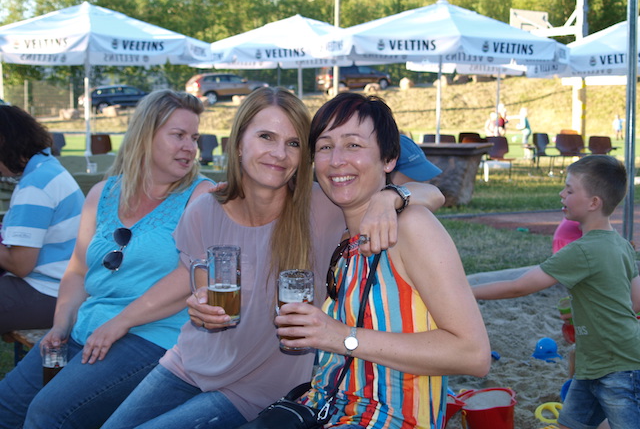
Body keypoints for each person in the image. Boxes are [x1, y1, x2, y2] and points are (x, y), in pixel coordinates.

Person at [101, 87, 444, 429]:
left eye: (293, 143)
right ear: (238, 143)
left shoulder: (323, 205)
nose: (279, 153)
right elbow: (204, 296)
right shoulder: (205, 209)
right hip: (188, 363)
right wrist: (201, 311)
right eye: (266, 137)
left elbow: (433, 193)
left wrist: (390, 197)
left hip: (258, 389)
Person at [274, 92, 491, 428]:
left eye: (353, 145)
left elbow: (473, 354)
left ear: (388, 159)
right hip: (324, 409)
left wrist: (341, 336)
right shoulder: (344, 236)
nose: (336, 160)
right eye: (325, 146)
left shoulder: (412, 227)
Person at [0, 90, 215, 428]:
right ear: (144, 135)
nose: (190, 147)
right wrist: (61, 324)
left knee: (49, 414)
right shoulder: (103, 193)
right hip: (89, 326)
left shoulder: (201, 196)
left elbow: (190, 274)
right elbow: (77, 270)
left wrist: (121, 321)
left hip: (153, 334)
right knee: (7, 405)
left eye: (194, 138)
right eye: (178, 135)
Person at [472, 155, 640, 429]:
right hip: (597, 363)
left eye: (570, 190)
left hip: (618, 368)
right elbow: (635, 301)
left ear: (593, 203)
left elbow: (519, 286)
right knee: (570, 424)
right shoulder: (622, 245)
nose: (562, 193)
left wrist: (468, 291)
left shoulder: (581, 250)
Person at [0, 104, 85, 333]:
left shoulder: (35, 185)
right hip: (63, 288)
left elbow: (20, 265)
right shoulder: (47, 168)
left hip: (50, 293)